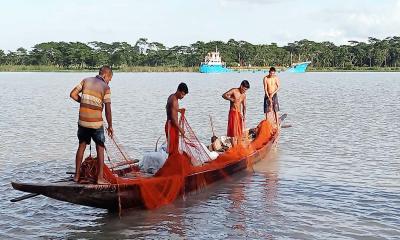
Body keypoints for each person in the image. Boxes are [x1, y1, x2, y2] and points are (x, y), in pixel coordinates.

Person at [70, 65, 113, 184]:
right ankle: (100, 178)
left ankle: (76, 176)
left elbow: (73, 94)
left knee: (81, 146)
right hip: (96, 123)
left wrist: (83, 102)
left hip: (82, 121)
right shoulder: (106, 87)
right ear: (105, 75)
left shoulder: (85, 80)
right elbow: (108, 109)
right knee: (100, 147)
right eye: (109, 79)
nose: (109, 82)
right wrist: (110, 126)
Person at [222, 80, 250, 146]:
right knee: (233, 133)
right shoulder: (234, 90)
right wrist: (232, 99)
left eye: (246, 90)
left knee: (239, 132)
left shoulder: (244, 95)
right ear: (241, 86)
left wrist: (244, 115)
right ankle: (234, 148)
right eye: (244, 89)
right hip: (233, 112)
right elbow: (224, 95)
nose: (245, 91)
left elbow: (244, 106)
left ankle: (238, 146)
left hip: (239, 114)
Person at [165, 82, 188, 155]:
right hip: (171, 126)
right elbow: (173, 118)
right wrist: (181, 129)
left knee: (175, 148)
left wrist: (178, 110)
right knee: (172, 150)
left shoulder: (172, 96)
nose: (183, 96)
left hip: (173, 126)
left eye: (184, 95)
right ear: (178, 90)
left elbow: (169, 108)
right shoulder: (174, 100)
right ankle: (171, 165)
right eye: (182, 94)